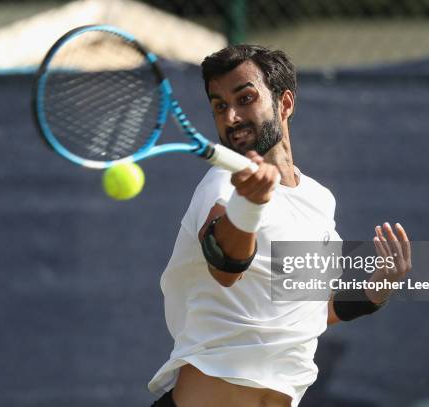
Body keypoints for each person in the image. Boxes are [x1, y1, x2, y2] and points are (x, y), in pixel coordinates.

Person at [148, 45, 412, 407]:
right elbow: (224, 267)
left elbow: (312, 308)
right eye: (219, 106)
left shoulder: (319, 199)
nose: (232, 117)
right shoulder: (224, 185)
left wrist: (374, 293)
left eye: (245, 98)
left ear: (285, 104)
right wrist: (248, 207)